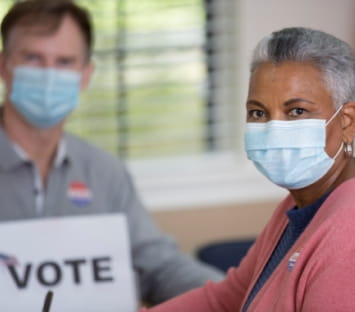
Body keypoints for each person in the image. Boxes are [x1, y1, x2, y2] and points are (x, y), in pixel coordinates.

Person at [0, 0, 224, 305]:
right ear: (4, 66)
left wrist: (235, 296)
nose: (49, 75)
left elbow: (158, 266)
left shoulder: (105, 172)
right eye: (34, 59)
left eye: (64, 62)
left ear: (85, 75)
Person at [139, 27, 355, 311]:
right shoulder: (297, 206)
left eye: (297, 111)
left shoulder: (347, 238)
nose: (273, 128)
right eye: (258, 112)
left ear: (347, 122)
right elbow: (225, 300)